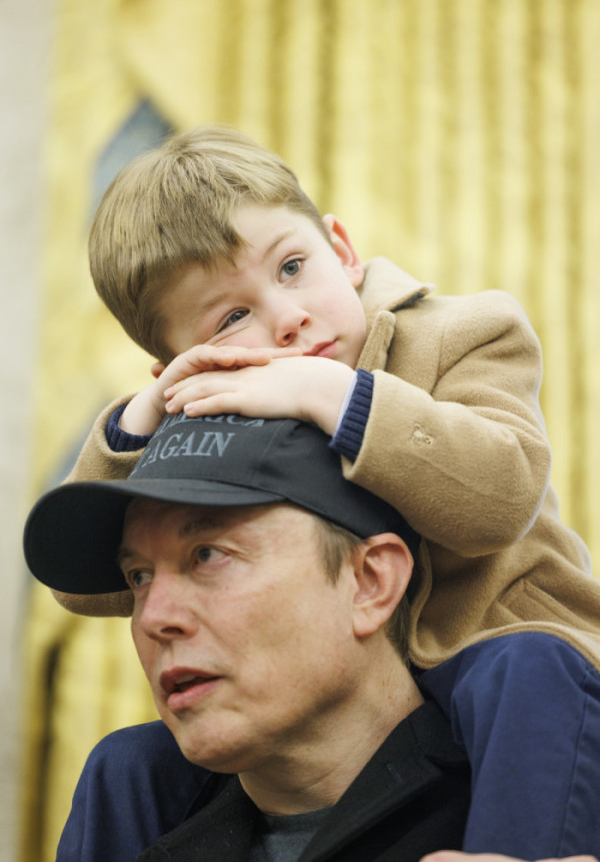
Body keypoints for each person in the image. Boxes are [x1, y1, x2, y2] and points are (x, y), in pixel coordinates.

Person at [49, 126, 600, 857]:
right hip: (351, 698)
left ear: (341, 249)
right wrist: (136, 424)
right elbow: (86, 581)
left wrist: (337, 396)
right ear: (185, 363)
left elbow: (503, 496)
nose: (288, 319)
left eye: (293, 267)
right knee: (129, 758)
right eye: (232, 318)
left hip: (499, 647)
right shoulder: (222, 409)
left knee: (524, 673)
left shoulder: (464, 333)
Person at [25, 413, 471, 861]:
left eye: (207, 555)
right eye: (139, 576)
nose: (153, 618)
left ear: (369, 582)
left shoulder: (504, 818)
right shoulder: (134, 809)